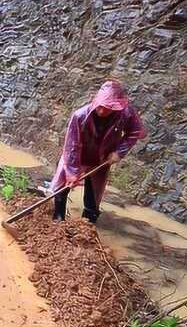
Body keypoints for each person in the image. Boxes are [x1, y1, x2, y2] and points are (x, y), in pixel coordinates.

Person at [51, 80, 146, 223]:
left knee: (94, 192)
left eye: (107, 108)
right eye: (100, 106)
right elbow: (72, 146)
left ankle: (88, 220)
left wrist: (119, 151)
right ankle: (58, 217)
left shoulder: (126, 114)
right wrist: (72, 173)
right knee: (62, 184)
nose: (102, 111)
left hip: (102, 158)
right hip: (77, 156)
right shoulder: (80, 116)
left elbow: (135, 131)